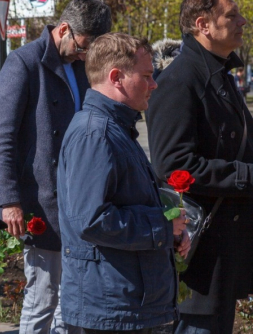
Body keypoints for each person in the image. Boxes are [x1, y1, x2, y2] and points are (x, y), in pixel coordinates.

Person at [0, 0, 112, 334]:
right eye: (83, 46)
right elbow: (1, 138)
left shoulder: (83, 64)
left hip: (80, 201)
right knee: (42, 298)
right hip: (42, 202)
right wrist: (8, 200)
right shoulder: (23, 63)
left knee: (73, 301)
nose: (85, 55)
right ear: (63, 29)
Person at [57, 33, 189, 332]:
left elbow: (126, 202)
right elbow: (91, 220)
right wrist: (162, 227)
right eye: (146, 75)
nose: (154, 84)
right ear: (116, 77)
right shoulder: (95, 134)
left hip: (125, 302)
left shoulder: (115, 128)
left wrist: (170, 231)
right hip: (112, 306)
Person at [146, 0, 253, 334]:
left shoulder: (218, 74)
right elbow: (174, 166)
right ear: (203, 24)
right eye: (231, 15)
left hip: (225, 251)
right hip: (199, 258)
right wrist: (246, 176)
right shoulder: (179, 81)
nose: (243, 21)